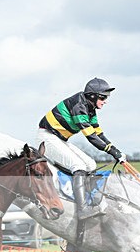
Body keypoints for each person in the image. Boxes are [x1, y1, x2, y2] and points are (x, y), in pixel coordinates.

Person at [37, 77, 126, 219]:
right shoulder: (79, 106)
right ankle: (82, 209)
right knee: (78, 165)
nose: (105, 101)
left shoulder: (90, 109)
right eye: (103, 97)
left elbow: (98, 133)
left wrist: (115, 150)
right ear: (92, 96)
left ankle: (89, 201)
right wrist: (110, 151)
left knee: (91, 164)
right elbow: (90, 136)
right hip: (47, 137)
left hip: (59, 138)